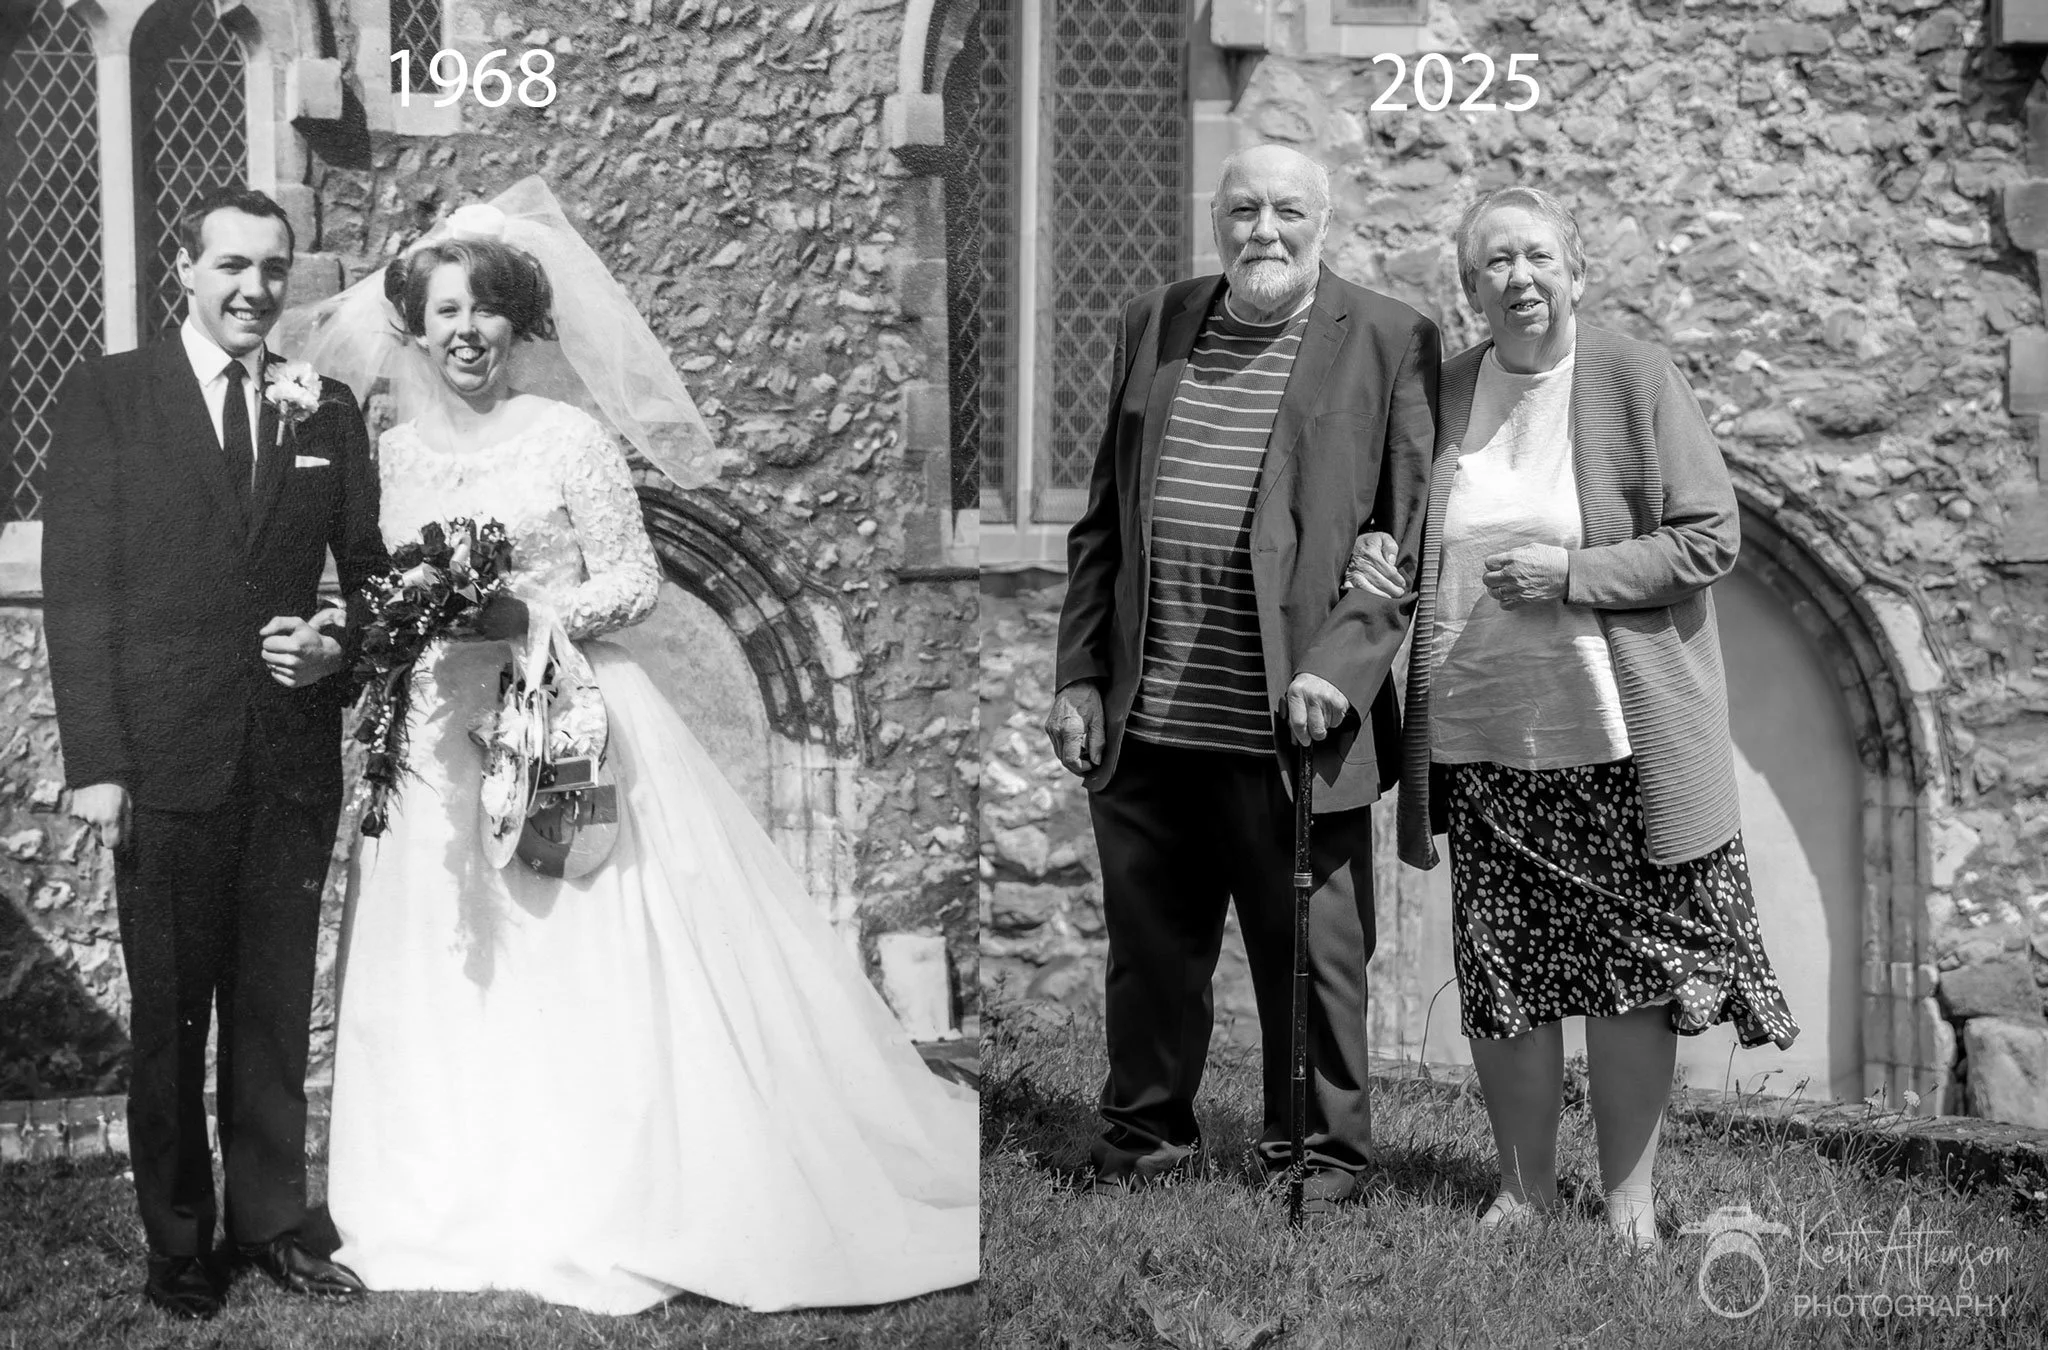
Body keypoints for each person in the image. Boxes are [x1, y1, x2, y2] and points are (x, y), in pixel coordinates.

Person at [289, 179, 978, 1314]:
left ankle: (599, 1190)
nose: (466, 333)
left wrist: (530, 615)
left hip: (561, 719)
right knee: (445, 952)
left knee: (575, 942)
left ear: (518, 323)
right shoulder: (393, 454)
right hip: (434, 745)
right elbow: (377, 588)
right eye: (444, 313)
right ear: (413, 327)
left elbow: (634, 579)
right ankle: (437, 1194)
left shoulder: (566, 439)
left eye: (486, 311)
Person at [1343, 185, 1798, 1248]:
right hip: (1481, 738)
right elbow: (1397, 532)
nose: (1518, 279)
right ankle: (1522, 1191)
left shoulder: (1630, 375)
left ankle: (1628, 1200)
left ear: (1575, 273)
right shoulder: (1445, 392)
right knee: (1506, 972)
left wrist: (1571, 572)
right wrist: (1375, 557)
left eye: (1536, 256)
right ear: (1467, 292)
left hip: (1615, 738)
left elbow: (1706, 537)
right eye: (1492, 264)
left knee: (1628, 973)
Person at [1043, 145, 1439, 1210]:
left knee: (1311, 960)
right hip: (1148, 713)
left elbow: (1404, 541)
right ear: (1213, 218)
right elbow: (1101, 525)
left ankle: (1323, 1161)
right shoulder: (1154, 320)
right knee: (1149, 956)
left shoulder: (1392, 340)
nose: (1264, 231)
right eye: (1244, 211)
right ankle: (1140, 1142)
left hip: (1292, 725)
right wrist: (1079, 672)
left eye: (1288, 212)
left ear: (1325, 221)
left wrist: (1341, 668)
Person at [42, 186, 389, 1319]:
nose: (254, 290)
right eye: (231, 266)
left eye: (273, 269)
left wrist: (336, 643)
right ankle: (180, 1239)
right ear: (183, 273)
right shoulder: (109, 397)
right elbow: (78, 593)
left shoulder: (323, 408)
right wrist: (99, 763)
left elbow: (373, 579)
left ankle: (274, 1224)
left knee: (274, 1006)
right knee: (171, 1013)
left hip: (289, 758)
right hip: (162, 760)